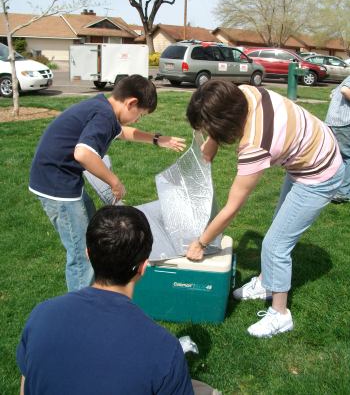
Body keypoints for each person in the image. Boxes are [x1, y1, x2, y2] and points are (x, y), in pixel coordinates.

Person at [185, 80, 344, 338]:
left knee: (276, 245)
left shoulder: (255, 145)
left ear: (225, 123)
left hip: (320, 174)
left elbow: (232, 207)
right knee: (276, 231)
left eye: (210, 128)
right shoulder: (244, 93)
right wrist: (211, 142)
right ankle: (265, 282)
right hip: (310, 152)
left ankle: (280, 315)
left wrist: (201, 243)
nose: (209, 132)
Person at [29, 74, 186, 292]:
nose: (137, 120)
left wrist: (157, 139)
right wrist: (115, 182)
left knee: (92, 236)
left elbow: (122, 132)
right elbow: (83, 153)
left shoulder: (103, 108)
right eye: (139, 114)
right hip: (57, 186)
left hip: (60, 179)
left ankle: (95, 291)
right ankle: (82, 309)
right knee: (81, 252)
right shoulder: (104, 116)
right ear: (131, 102)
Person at [17, 205, 194, 395]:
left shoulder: (41, 315)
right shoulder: (165, 350)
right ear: (143, 267)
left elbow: (26, 385)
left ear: (88, 254)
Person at [325, 75, 350, 203]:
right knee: (347, 157)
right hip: (344, 122)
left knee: (337, 157)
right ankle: (342, 193)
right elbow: (345, 91)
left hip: (333, 121)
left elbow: (332, 93)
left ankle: (331, 188)